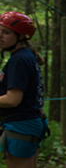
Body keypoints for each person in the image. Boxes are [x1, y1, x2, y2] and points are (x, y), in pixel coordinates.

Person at [0, 11, 46, 168]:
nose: (0, 36)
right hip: (29, 123)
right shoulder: (25, 55)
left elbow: (13, 99)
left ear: (21, 36)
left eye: (6, 32)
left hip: (20, 125)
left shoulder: (18, 60)